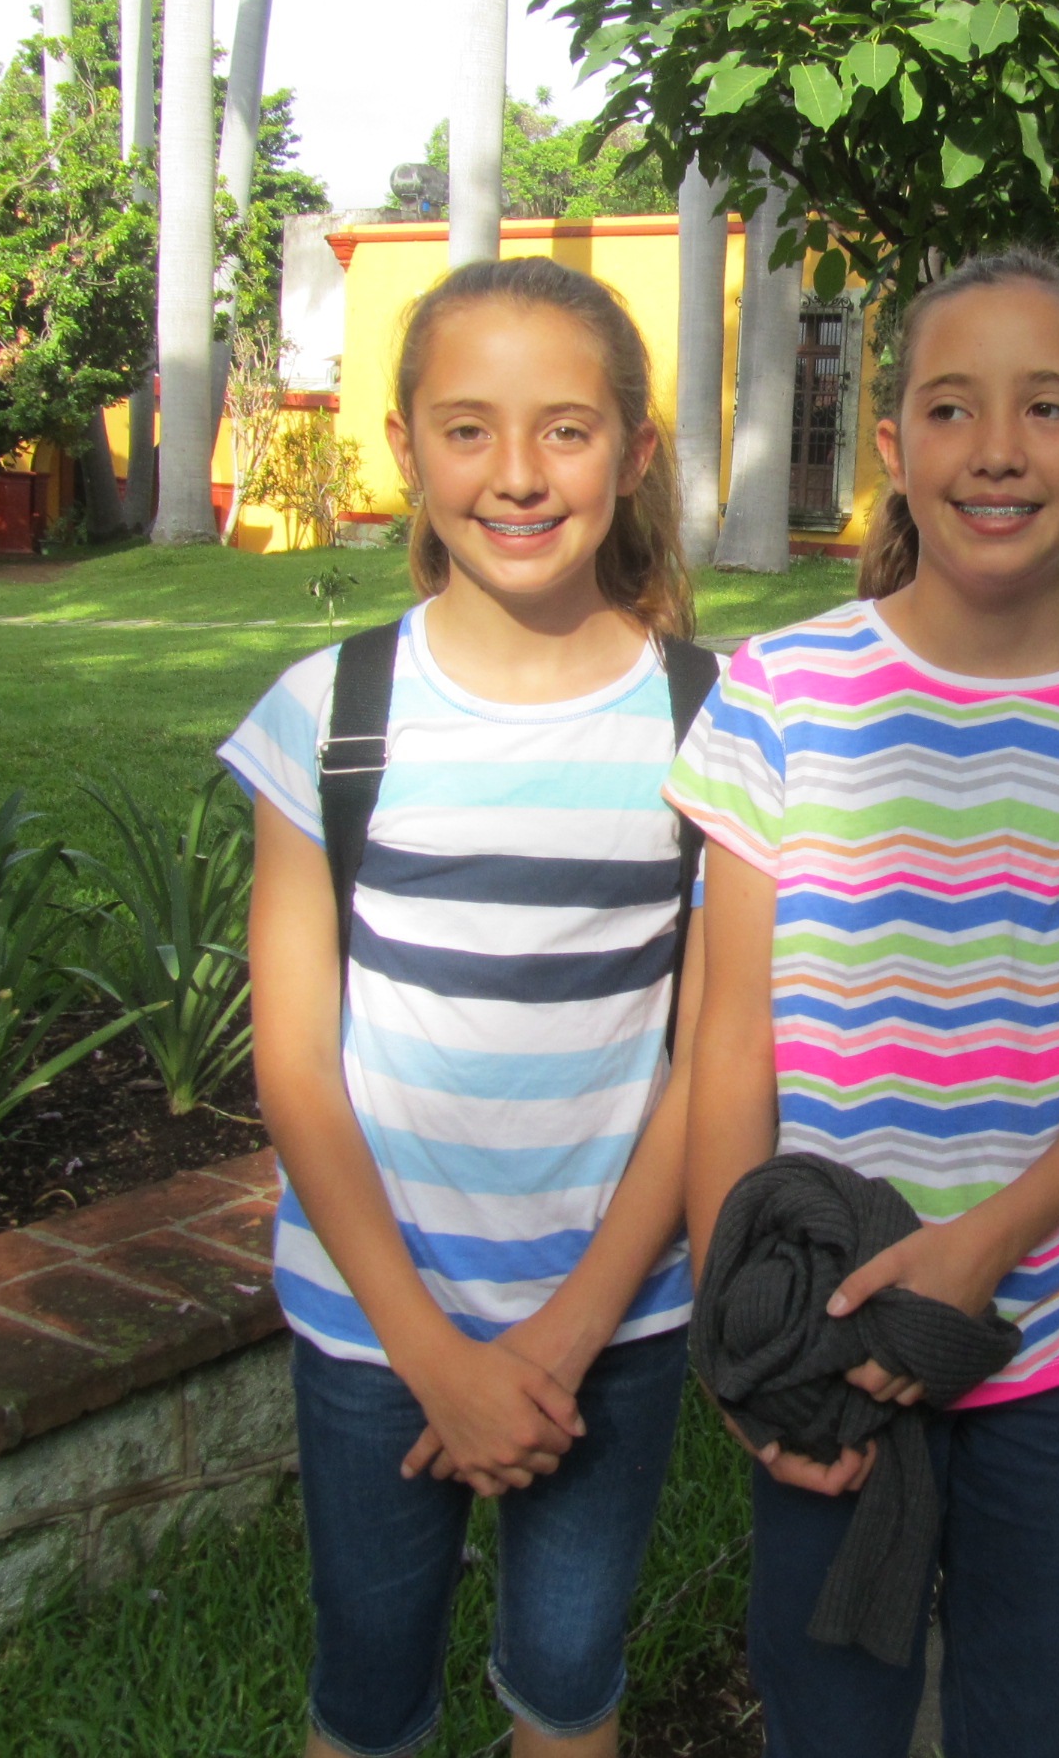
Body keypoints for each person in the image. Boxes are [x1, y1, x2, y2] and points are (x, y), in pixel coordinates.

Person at [669, 250, 1059, 1758]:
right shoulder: (782, 692)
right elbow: (728, 1039)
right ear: (894, 445)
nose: (997, 449)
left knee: (1029, 1714)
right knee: (828, 1717)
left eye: (1047, 408)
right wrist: (738, 1327)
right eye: (951, 408)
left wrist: (983, 1249)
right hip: (829, 1331)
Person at [226, 256, 705, 1758]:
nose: (517, 474)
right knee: (367, 1693)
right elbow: (296, 1070)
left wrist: (565, 1339)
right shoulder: (328, 716)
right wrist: (431, 1352)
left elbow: (710, 1064)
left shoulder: (715, 725)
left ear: (634, 453)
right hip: (374, 1327)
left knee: (568, 1685)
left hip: (616, 1321)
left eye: (566, 430)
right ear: (404, 447)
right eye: (468, 429)